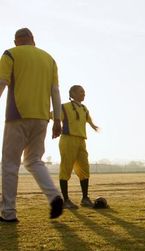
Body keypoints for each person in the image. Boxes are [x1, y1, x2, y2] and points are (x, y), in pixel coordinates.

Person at [0, 28, 64, 222]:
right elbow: (55, 92)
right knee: (34, 161)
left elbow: (1, 82)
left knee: (10, 164)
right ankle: (54, 196)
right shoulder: (49, 59)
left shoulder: (11, 53)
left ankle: (8, 213)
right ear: (32, 39)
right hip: (42, 118)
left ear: (16, 40)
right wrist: (58, 120)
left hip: (17, 115)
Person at [55, 85, 99, 209]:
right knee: (66, 169)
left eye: (84, 92)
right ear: (72, 93)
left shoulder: (84, 108)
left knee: (84, 168)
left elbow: (88, 119)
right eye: (81, 92)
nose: (83, 94)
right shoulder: (64, 107)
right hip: (68, 139)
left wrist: (93, 125)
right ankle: (66, 200)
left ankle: (85, 198)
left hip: (81, 141)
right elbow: (53, 115)